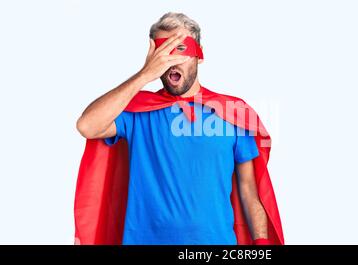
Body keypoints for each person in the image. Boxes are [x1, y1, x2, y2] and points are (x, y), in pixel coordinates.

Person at [75, 12, 283, 245]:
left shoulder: (233, 112)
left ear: (199, 55)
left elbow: (248, 190)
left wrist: (261, 243)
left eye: (181, 50)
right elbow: (87, 126)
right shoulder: (137, 112)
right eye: (163, 54)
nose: (172, 61)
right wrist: (144, 75)